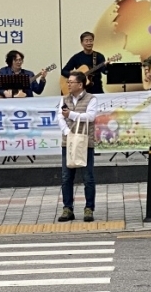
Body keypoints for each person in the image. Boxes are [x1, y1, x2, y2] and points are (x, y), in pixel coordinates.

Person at [57, 71, 98, 223]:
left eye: (71, 82)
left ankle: (89, 208)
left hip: (84, 142)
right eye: (68, 82)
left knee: (88, 177)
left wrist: (71, 115)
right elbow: (60, 117)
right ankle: (67, 208)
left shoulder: (91, 99)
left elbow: (90, 117)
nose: (68, 84)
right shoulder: (64, 98)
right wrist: (67, 132)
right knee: (66, 177)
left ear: (80, 84)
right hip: (68, 142)